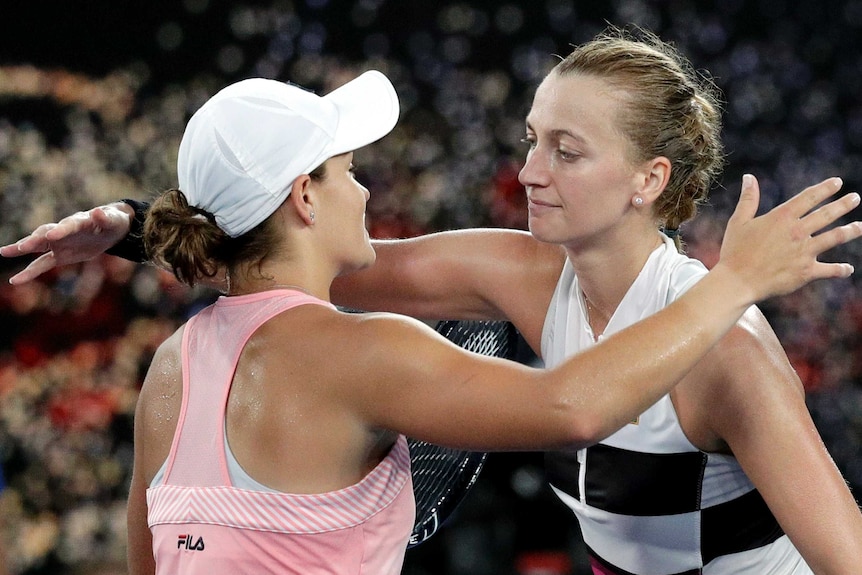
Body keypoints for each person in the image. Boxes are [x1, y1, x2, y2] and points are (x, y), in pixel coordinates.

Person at [2, 28, 862, 575]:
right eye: (532, 140)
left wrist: (131, 227)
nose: (528, 171)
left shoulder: (729, 350)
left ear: (650, 179)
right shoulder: (521, 277)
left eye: (565, 150)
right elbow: (288, 259)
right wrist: (127, 227)